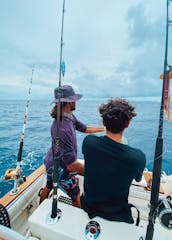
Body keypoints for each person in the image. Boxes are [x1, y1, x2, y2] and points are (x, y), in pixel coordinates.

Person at [80, 98, 146, 224]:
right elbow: (138, 179)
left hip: (88, 208)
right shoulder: (137, 158)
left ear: (103, 122)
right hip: (118, 216)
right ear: (127, 124)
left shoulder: (89, 142)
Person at [39, 85, 104, 207]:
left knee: (49, 186)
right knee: (75, 194)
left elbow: (85, 128)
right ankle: (76, 220)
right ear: (69, 102)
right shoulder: (62, 129)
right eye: (74, 99)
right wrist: (95, 173)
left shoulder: (69, 116)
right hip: (60, 168)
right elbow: (71, 165)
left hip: (50, 161)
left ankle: (40, 207)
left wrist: (105, 128)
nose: (76, 102)